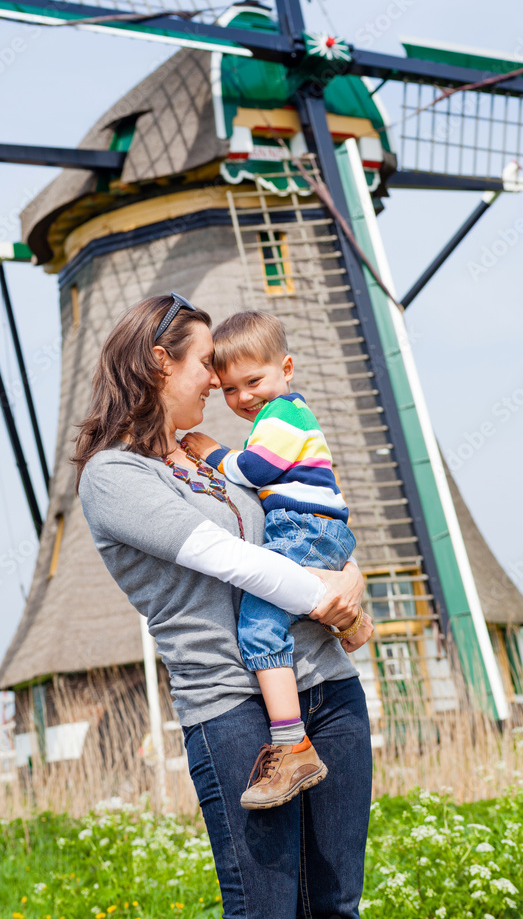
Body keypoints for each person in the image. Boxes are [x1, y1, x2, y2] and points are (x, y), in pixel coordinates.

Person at [73, 292, 374, 919]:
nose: (219, 378)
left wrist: (349, 573)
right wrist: (331, 602)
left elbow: (303, 518)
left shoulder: (210, 458)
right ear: (161, 361)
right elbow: (227, 556)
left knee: (336, 905)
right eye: (208, 363)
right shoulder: (115, 475)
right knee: (266, 910)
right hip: (232, 705)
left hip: (327, 686)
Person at [184, 309, 360, 810]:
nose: (243, 397)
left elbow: (256, 468)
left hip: (302, 526)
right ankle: (354, 623)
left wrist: (215, 454)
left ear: (286, 367)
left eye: (253, 380)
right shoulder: (276, 416)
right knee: (295, 598)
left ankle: (291, 744)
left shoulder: (281, 417)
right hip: (310, 527)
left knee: (259, 625)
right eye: (230, 390)